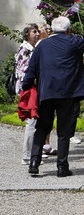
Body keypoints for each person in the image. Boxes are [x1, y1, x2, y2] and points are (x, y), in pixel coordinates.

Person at [22, 16, 84, 177]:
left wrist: (26, 87)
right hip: (66, 93)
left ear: (52, 29)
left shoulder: (42, 45)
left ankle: (34, 162)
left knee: (42, 128)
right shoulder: (74, 41)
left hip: (46, 92)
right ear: (67, 29)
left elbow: (31, 69)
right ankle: (62, 167)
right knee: (64, 131)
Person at [15, 24, 41, 165]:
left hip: (34, 88)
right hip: (29, 90)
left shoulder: (34, 49)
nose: (37, 34)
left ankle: (33, 153)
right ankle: (27, 155)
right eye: (34, 32)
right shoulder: (24, 49)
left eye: (38, 31)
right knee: (31, 122)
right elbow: (23, 71)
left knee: (35, 122)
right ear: (27, 35)